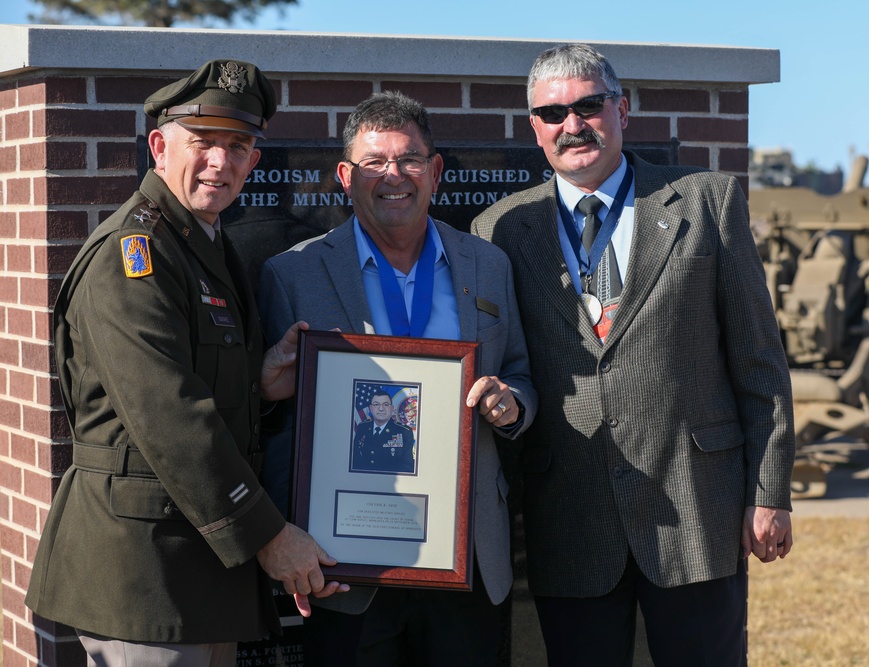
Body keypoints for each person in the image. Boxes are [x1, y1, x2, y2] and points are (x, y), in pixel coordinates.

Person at [471, 43, 795, 666]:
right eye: (553, 113)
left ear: (623, 108)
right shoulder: (501, 230)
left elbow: (759, 360)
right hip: (570, 518)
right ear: (533, 128)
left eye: (589, 105)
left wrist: (771, 490)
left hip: (696, 508)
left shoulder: (707, 203)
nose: (573, 125)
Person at [25, 59, 347, 667]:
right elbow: (168, 417)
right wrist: (271, 537)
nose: (220, 162)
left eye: (238, 145)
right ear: (158, 146)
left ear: (255, 159)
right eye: (203, 143)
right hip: (148, 574)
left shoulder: (198, 241)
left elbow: (179, 382)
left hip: (190, 572)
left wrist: (257, 386)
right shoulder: (135, 255)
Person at [258, 90, 537, 665]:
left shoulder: (488, 264)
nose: (394, 176)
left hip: (465, 555)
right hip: (346, 565)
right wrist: (291, 539)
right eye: (374, 162)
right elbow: (279, 425)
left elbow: (520, 374)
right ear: (344, 175)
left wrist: (513, 402)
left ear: (434, 172)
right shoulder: (293, 274)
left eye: (410, 160)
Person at [352, 389, 416, 473]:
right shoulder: (362, 427)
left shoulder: (404, 432)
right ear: (371, 408)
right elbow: (355, 460)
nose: (381, 409)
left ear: (392, 408)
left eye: (386, 405)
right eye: (376, 404)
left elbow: (407, 466)